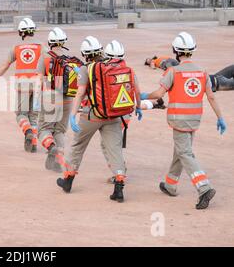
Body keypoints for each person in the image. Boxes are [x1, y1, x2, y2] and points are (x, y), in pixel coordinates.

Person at [140, 32, 226, 210]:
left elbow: (158, 94)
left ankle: (204, 188)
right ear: (192, 50)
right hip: (194, 119)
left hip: (179, 119)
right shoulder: (202, 72)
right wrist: (220, 118)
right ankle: (170, 185)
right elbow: (211, 97)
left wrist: (143, 95)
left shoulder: (173, 71)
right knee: (181, 150)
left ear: (175, 51)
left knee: (185, 153)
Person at [56, 40, 142, 203]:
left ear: (85, 54)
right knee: (114, 150)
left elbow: (80, 93)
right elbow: (136, 90)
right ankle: (119, 186)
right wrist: (138, 107)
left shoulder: (86, 69)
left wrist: (73, 115)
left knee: (78, 146)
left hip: (91, 115)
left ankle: (68, 181)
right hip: (114, 116)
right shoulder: (125, 69)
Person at [0, 18, 46, 153]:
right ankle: (33, 144)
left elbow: (6, 65)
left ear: (21, 33)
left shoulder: (17, 48)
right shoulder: (42, 47)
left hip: (23, 86)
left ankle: (28, 132)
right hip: (38, 86)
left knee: (21, 114)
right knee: (33, 115)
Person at [36, 27, 73, 172]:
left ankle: (51, 147)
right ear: (64, 41)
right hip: (68, 98)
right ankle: (59, 160)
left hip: (50, 97)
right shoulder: (70, 57)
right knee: (60, 130)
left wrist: (37, 98)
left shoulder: (45, 57)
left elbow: (39, 78)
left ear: (50, 42)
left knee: (44, 129)